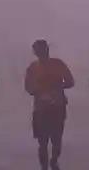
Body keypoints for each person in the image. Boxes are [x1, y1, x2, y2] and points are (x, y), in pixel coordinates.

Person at [23, 39, 75, 170]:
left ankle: (54, 160)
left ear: (47, 50)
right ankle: (44, 166)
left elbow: (70, 81)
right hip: (40, 108)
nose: (41, 53)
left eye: (43, 50)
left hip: (58, 106)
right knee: (42, 141)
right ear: (35, 53)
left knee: (56, 139)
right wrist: (38, 92)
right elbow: (27, 86)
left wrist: (58, 87)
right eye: (38, 51)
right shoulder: (32, 67)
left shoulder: (58, 64)